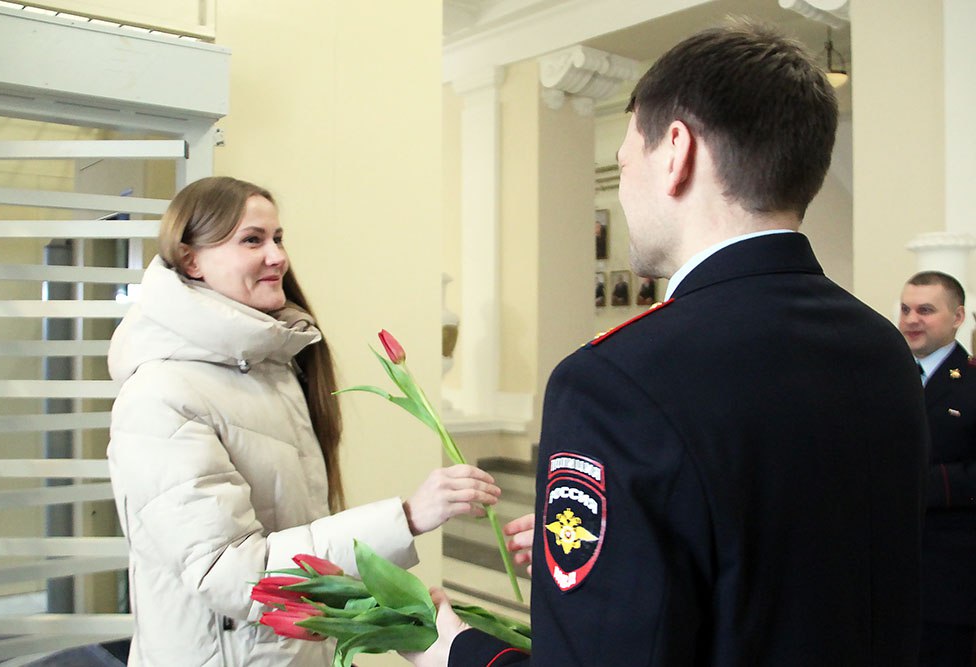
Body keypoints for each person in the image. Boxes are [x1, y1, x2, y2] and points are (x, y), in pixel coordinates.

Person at [407, 20, 928, 667]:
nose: (624, 188)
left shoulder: (613, 382)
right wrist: (625, 554)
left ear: (677, 151)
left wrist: (453, 650)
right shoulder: (882, 349)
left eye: (626, 161)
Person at [106, 176, 501, 667]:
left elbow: (294, 535)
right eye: (252, 240)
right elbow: (230, 573)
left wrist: (389, 608)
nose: (277, 256)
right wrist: (404, 518)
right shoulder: (161, 396)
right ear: (191, 260)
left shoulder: (274, 368)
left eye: (278, 238)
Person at [899, 271, 976, 667]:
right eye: (905, 309)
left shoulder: (971, 384)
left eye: (925, 310)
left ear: (958, 316)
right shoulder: (886, 378)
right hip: (890, 573)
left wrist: (911, 486)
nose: (912, 319)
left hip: (950, 576)